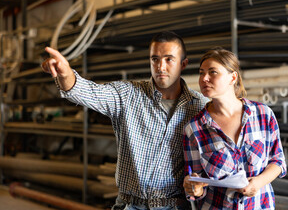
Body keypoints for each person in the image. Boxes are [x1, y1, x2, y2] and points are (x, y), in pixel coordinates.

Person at [41, 31, 209, 210]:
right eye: (155, 59)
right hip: (130, 205)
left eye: (169, 59)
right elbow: (88, 92)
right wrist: (65, 73)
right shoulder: (128, 95)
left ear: (183, 64)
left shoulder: (200, 106)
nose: (160, 66)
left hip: (175, 206)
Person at [182, 49, 286, 209]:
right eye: (201, 73)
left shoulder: (262, 114)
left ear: (233, 77)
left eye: (213, 72)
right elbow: (197, 181)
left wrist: (258, 182)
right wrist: (194, 187)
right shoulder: (194, 129)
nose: (204, 78)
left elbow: (277, 160)